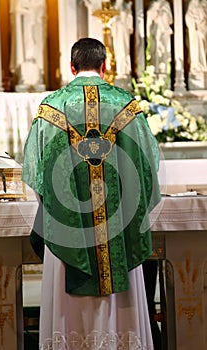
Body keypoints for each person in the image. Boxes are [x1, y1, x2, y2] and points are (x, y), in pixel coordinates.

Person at [22, 38, 161, 350]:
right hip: (119, 231)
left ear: (71, 67)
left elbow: (36, 170)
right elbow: (147, 166)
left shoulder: (51, 107)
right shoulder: (126, 104)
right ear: (105, 65)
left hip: (67, 231)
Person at [9, 0, 47, 91]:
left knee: (35, 50)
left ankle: (37, 78)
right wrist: (27, 12)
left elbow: (42, 10)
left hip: (36, 27)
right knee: (25, 51)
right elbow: (17, 10)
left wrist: (34, 10)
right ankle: (24, 78)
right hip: (25, 28)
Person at [146, 0, 173, 74]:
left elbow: (170, 20)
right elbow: (149, 17)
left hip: (164, 31)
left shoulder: (165, 4)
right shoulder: (152, 4)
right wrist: (154, 13)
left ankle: (164, 71)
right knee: (155, 50)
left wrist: (162, 14)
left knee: (164, 49)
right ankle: (155, 70)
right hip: (156, 31)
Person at [111, 0, 134, 78]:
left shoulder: (126, 6)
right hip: (117, 31)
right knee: (118, 51)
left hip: (124, 31)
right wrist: (114, 19)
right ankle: (119, 70)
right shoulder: (113, 6)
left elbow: (129, 22)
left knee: (124, 50)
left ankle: (125, 70)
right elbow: (109, 22)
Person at [185, 0, 207, 73]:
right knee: (195, 47)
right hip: (195, 28)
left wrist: (202, 20)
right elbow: (188, 16)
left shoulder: (205, 2)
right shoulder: (192, 3)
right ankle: (196, 65)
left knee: (203, 45)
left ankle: (203, 64)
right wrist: (194, 21)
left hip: (203, 27)